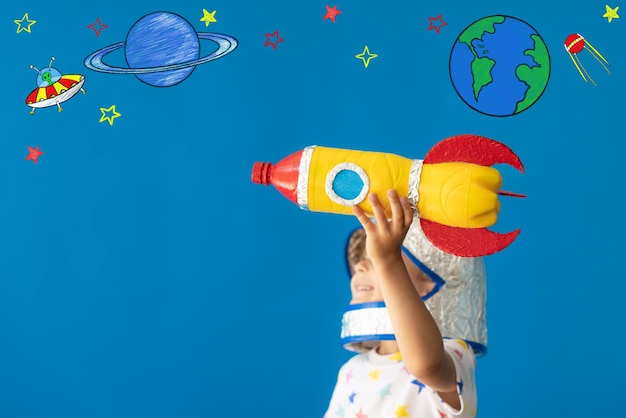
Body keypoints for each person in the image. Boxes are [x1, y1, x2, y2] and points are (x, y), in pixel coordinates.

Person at [324, 189, 487, 418]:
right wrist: (387, 259)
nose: (360, 266)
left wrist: (388, 261)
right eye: (363, 259)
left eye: (377, 256)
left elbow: (425, 365)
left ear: (429, 282)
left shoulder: (454, 354)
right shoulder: (352, 370)